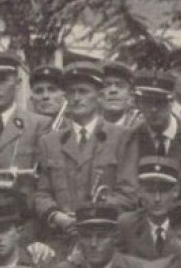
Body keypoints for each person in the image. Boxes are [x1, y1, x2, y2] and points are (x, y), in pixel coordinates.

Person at [34, 62, 128, 240]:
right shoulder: (49, 142)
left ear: (99, 96)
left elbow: (128, 194)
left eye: (83, 91)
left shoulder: (122, 137)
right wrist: (57, 217)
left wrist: (90, 216)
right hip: (62, 237)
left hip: (107, 237)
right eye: (71, 92)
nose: (76, 98)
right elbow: (42, 193)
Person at [117, 71, 181, 202]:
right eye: (147, 102)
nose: (153, 109)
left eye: (160, 102)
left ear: (172, 101)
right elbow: (128, 189)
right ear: (138, 103)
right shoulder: (131, 138)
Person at [116, 157, 181, 261]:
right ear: (139, 192)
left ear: (175, 192)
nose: (157, 199)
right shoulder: (127, 225)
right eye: (150, 191)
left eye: (164, 191)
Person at [98, 61, 137, 126]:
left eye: (120, 86)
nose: (113, 90)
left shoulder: (139, 130)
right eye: (106, 86)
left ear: (131, 96)